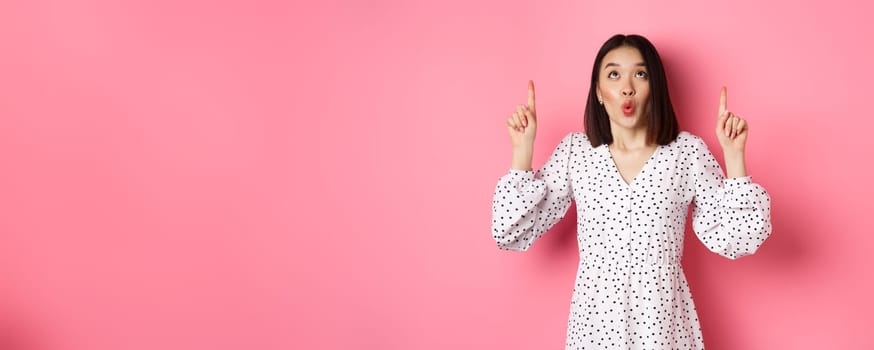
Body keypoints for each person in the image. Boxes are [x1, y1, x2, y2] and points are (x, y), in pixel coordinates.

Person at [490, 34, 772, 349]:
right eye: (614, 74)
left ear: (656, 88)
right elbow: (509, 231)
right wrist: (522, 149)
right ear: (598, 91)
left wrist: (734, 156)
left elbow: (738, 239)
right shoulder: (576, 152)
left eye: (640, 74)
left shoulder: (686, 152)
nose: (627, 87)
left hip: (662, 324)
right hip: (596, 324)